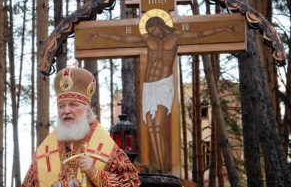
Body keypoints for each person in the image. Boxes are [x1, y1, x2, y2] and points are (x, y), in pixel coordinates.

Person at [5, 67, 140, 187]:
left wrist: (96, 174)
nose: (66, 111)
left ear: (86, 109)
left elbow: (130, 183)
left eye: (73, 104)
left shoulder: (106, 147)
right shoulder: (44, 151)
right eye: (62, 106)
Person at [91, 11, 238, 172]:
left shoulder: (174, 37)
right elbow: (124, 39)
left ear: (161, 25)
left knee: (159, 122)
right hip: (149, 86)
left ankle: (163, 168)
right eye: (150, 30)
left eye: (154, 28)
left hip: (164, 84)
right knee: (150, 122)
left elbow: (201, 33)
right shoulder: (147, 39)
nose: (153, 32)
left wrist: (223, 30)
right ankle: (156, 167)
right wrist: (99, 34)